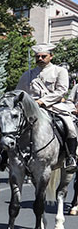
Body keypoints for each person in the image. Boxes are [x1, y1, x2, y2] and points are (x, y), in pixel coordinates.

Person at [16, 43, 77, 172]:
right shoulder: (28, 74)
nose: (40, 59)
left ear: (51, 56)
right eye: (37, 56)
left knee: (70, 126)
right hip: (31, 108)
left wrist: (42, 101)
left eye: (43, 56)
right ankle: (1, 155)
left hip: (54, 106)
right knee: (12, 125)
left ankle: (70, 157)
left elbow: (62, 90)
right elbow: (19, 92)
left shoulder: (60, 71)